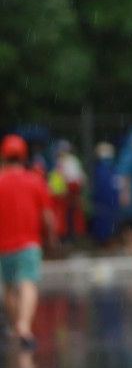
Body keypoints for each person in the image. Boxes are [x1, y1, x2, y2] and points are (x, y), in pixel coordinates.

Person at [0, 135, 55, 351]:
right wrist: (52, 236)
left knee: (10, 287)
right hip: (29, 243)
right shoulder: (35, 180)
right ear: (24, 156)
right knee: (28, 283)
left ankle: (16, 326)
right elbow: (47, 213)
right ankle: (24, 326)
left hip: (3, 245)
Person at [90, 142, 121, 247]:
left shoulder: (110, 168)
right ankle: (103, 241)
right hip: (104, 203)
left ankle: (107, 240)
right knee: (103, 222)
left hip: (109, 203)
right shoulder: (103, 169)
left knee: (108, 222)